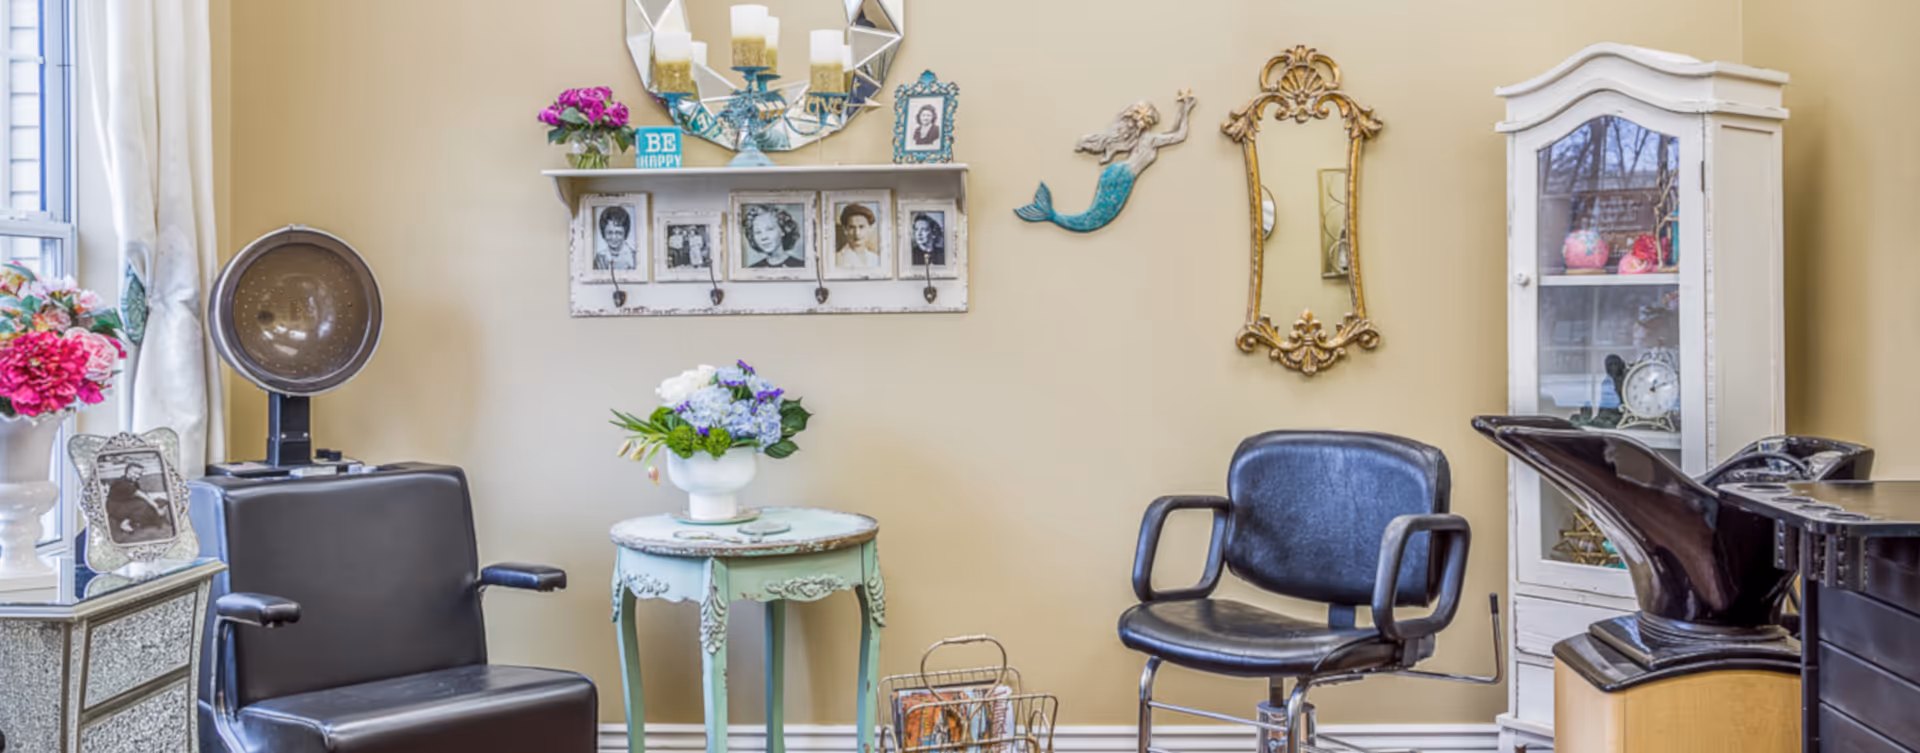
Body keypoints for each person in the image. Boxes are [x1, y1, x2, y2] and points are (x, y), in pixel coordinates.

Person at [104, 462, 174, 545]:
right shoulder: (122, 484)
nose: (137, 476)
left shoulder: (132, 481)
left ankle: (141, 519)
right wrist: (157, 508)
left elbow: (142, 494)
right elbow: (142, 496)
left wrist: (155, 503)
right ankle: (125, 523)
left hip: (125, 503)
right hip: (114, 507)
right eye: (135, 473)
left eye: (140, 474)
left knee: (157, 502)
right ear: (128, 471)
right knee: (143, 504)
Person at [835, 204, 881, 268]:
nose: (857, 233)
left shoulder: (876, 259)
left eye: (861, 227)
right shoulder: (836, 259)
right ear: (845, 230)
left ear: (870, 229)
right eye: (851, 227)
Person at [593, 206, 638, 270]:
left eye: (618, 233)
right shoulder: (599, 259)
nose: (614, 237)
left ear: (625, 233)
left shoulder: (634, 258)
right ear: (603, 233)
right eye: (610, 233)